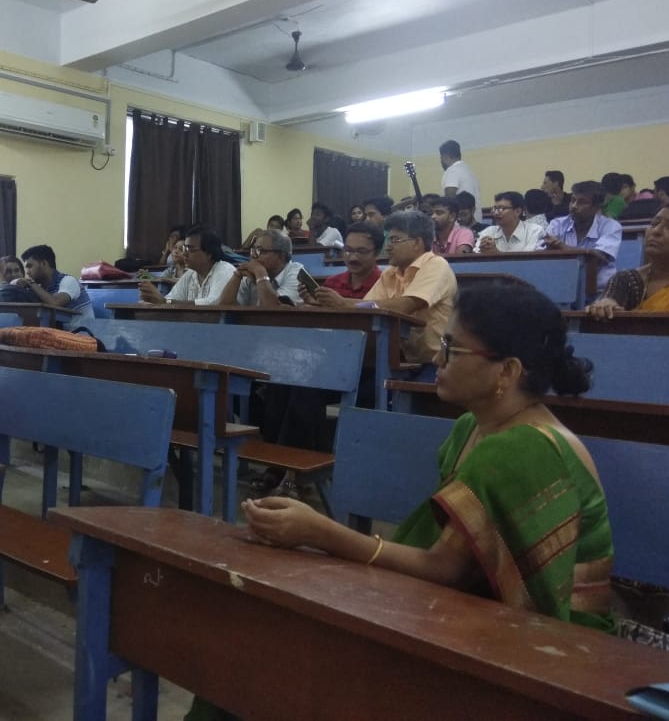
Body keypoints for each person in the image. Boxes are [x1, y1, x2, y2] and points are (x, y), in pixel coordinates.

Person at [242, 282, 614, 633]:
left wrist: (319, 532)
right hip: (476, 607)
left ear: (507, 371)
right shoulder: (470, 428)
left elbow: (448, 570)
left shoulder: (525, 448)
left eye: (452, 348)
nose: (437, 358)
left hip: (557, 637)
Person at [362, 210, 457, 379]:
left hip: (438, 362)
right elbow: (366, 308)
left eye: (394, 240)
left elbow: (406, 305)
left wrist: (345, 303)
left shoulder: (437, 265)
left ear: (417, 242)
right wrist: (346, 305)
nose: (387, 247)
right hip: (401, 359)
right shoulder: (390, 273)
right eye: (387, 239)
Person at [588, 200, 669, 318]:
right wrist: (606, 305)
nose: (656, 231)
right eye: (654, 223)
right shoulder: (626, 280)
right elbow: (610, 299)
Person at [542, 180, 622, 296]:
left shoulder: (611, 226)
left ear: (596, 207)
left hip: (600, 292)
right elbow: (542, 254)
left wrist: (561, 247)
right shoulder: (557, 224)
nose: (574, 206)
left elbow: (596, 258)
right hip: (563, 289)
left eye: (582, 202)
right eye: (573, 200)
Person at [139, 226, 236, 305]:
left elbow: (214, 303)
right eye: (184, 249)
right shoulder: (190, 274)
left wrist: (164, 302)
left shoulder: (225, 271)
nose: (185, 254)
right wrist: (152, 301)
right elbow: (171, 299)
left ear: (209, 254)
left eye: (190, 250)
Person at [14, 244, 94, 329]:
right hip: (60, 333)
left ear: (43, 263)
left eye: (30, 266)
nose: (27, 272)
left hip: (81, 334)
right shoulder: (41, 288)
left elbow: (55, 303)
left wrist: (31, 283)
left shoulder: (68, 281)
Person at [218, 228, 303, 307]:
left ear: (280, 257)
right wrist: (237, 274)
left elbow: (273, 311)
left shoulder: (297, 273)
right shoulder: (252, 272)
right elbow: (224, 307)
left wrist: (261, 274)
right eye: (253, 250)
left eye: (260, 251)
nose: (253, 256)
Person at [302, 223, 382, 306]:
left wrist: (342, 303)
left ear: (377, 253)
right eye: (348, 250)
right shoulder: (332, 283)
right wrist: (315, 305)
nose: (353, 258)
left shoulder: (385, 285)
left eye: (361, 252)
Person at [475, 192, 545, 253]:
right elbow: (475, 256)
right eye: (495, 208)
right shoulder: (488, 232)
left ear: (517, 211)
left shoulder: (534, 231)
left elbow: (530, 261)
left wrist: (496, 253)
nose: (496, 213)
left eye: (501, 208)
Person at [439, 140, 481, 221]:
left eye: (441, 158)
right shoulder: (469, 172)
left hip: (460, 223)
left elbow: (449, 198)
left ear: (445, 157)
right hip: (475, 222)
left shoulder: (452, 170)